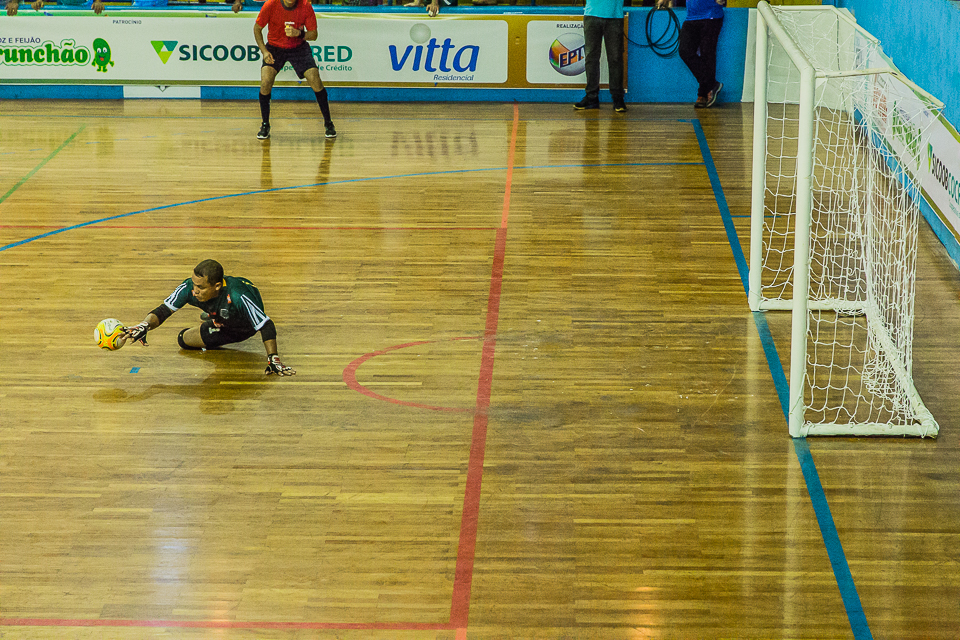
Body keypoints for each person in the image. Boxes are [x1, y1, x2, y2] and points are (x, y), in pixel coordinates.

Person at [121, 259, 296, 377]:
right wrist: (145, 325)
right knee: (183, 340)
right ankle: (214, 315)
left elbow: (266, 325)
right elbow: (163, 310)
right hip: (222, 321)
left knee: (237, 318)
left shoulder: (238, 295)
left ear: (217, 286)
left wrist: (273, 359)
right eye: (194, 284)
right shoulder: (189, 288)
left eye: (201, 287)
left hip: (243, 327)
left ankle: (215, 314)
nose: (195, 291)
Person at [253, 0, 336, 141]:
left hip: (298, 47)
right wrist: (264, 51)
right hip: (274, 48)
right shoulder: (270, 5)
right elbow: (257, 28)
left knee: (315, 79)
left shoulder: (305, 6)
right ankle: (265, 124)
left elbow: (314, 34)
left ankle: (329, 123)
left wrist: (299, 33)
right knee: (265, 81)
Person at [657, 0, 725, 108]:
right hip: (692, 16)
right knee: (685, 51)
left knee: (707, 54)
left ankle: (703, 94)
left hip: (711, 14)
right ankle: (711, 84)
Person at [574, 0, 627, 113]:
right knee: (591, 58)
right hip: (592, 14)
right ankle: (591, 97)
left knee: (615, 58)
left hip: (614, 16)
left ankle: (618, 97)